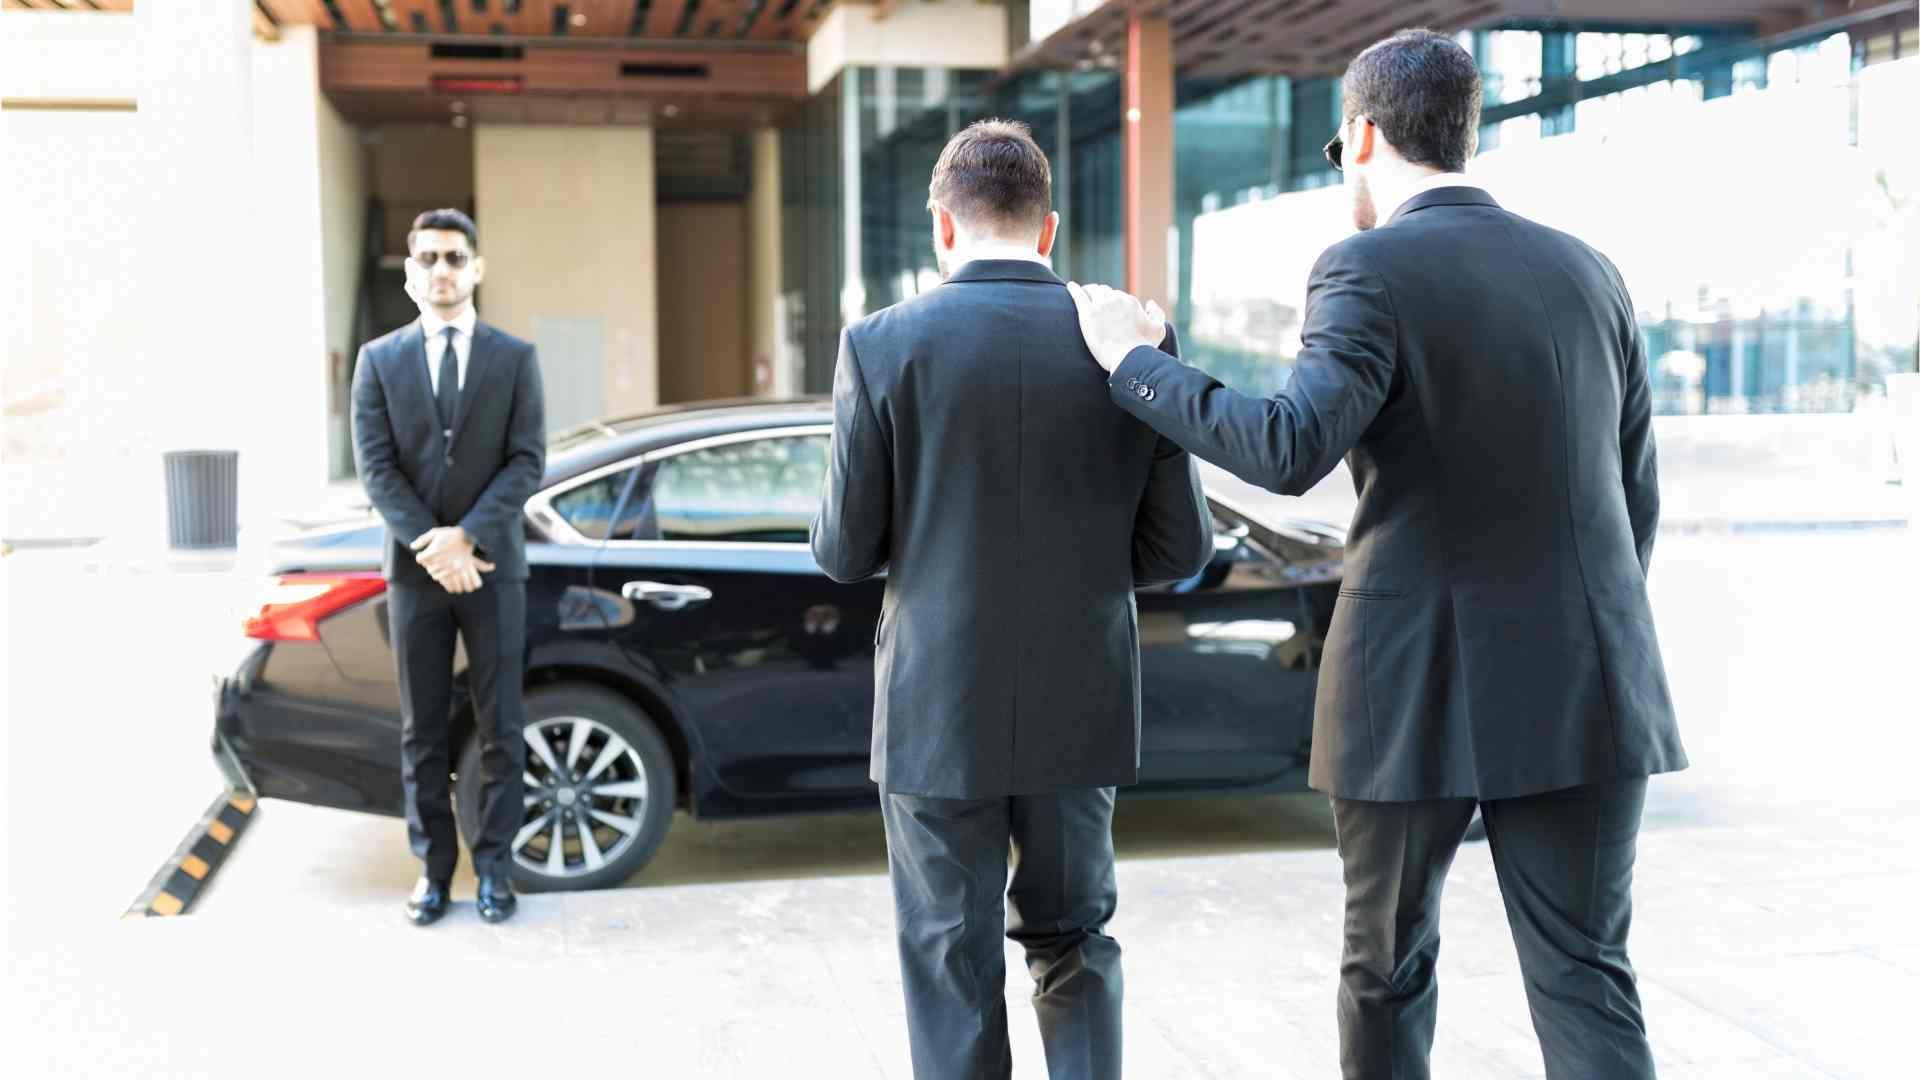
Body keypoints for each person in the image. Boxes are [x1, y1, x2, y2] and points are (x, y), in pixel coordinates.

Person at [1066, 29, 1687, 1080]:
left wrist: (1135, 362)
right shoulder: (1590, 271)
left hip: (1412, 685)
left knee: (1387, 964)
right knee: (1585, 973)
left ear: (1360, 135)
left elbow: (1288, 447)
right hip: (1589, 675)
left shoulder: (1366, 265)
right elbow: (1635, 496)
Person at [811, 119, 1212, 1080]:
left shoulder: (880, 344)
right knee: (1074, 939)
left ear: (941, 227)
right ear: (1048, 229)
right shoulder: (1130, 343)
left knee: (949, 954)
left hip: (935, 709)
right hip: (1081, 700)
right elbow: (1180, 547)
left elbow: (843, 551)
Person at [350, 208, 547, 926]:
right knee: (423, 731)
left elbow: (527, 460)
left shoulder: (514, 357)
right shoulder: (379, 360)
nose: (442, 269)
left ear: (476, 269)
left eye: (455, 257)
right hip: (415, 574)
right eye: (428, 258)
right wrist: (434, 548)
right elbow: (375, 470)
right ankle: (433, 872)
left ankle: (495, 871)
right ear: (410, 273)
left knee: (502, 726)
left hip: (495, 570)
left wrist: (467, 538)